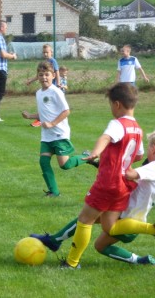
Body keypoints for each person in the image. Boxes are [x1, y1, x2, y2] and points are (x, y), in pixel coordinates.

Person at [30, 131, 155, 265]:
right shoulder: (149, 166)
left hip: (129, 221)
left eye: (148, 147)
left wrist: (111, 160)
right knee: (90, 224)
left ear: (153, 149)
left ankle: (60, 247)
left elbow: (128, 175)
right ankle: (55, 241)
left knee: (92, 228)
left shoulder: (152, 167)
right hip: (125, 214)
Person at [61, 82, 143, 269]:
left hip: (107, 182)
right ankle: (149, 229)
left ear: (117, 104)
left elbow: (105, 137)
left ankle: (71, 263)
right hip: (123, 184)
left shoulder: (118, 124)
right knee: (109, 227)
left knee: (85, 220)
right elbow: (138, 155)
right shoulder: (137, 129)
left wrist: (96, 152)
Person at [21, 62, 94, 197]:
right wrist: (30, 116)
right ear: (38, 77)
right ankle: (54, 192)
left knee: (65, 165)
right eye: (41, 75)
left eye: (47, 74)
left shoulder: (56, 91)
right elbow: (44, 113)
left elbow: (66, 111)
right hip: (46, 135)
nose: (44, 77)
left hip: (59, 133)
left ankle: (86, 156)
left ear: (53, 75)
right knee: (43, 161)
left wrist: (53, 123)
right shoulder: (38, 93)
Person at [26, 44, 60, 127]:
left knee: (49, 105)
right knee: (45, 104)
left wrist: (58, 83)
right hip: (46, 87)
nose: (45, 54)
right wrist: (31, 80)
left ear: (51, 52)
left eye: (47, 52)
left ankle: (42, 120)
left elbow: (57, 72)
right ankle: (41, 120)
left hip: (52, 87)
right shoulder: (44, 63)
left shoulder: (53, 61)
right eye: (44, 52)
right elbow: (39, 75)